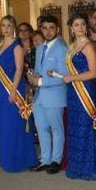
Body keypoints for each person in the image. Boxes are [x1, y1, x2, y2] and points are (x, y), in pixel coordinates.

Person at [63, 12, 96, 180]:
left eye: (83, 24)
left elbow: (94, 72)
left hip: (86, 90)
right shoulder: (71, 46)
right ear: (71, 28)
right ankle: (76, 164)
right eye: (77, 25)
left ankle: (89, 164)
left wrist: (71, 78)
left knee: (85, 126)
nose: (80, 28)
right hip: (73, 91)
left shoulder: (89, 46)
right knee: (75, 126)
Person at [0, 15, 37, 172]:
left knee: (15, 123)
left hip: (14, 87)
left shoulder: (17, 46)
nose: (5, 28)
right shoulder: (0, 44)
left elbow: (19, 69)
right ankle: (7, 157)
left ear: (13, 28)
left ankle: (19, 159)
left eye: (9, 26)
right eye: (3, 25)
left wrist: (13, 90)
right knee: (5, 124)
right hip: (1, 88)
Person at [28, 15, 68, 174]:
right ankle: (45, 160)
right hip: (39, 96)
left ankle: (56, 160)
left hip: (55, 95)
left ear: (57, 29)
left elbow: (63, 76)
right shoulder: (39, 48)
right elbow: (38, 71)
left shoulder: (62, 49)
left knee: (56, 129)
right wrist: (32, 79)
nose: (48, 31)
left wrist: (41, 82)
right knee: (42, 128)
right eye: (45, 28)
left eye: (52, 28)